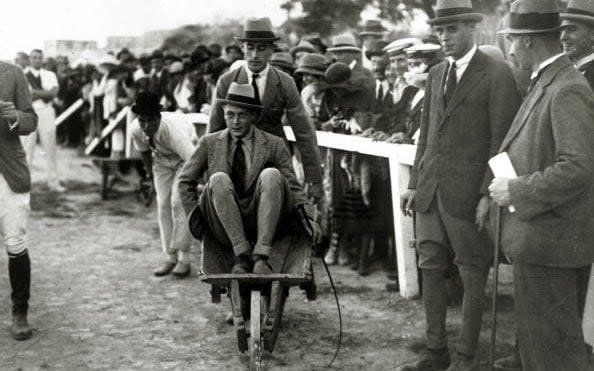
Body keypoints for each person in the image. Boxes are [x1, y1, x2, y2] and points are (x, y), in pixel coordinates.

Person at [398, 0, 522, 369]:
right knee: (431, 269)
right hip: (431, 192)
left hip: (468, 196)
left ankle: (466, 358)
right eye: (439, 30)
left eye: (452, 29)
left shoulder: (497, 73)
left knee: (472, 272)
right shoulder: (436, 73)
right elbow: (426, 137)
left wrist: (487, 193)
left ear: (471, 28)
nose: (445, 37)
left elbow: (502, 140)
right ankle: (436, 352)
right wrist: (415, 182)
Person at [491, 1, 594, 369]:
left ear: (530, 41)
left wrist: (516, 190)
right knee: (540, 352)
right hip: (541, 243)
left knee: (554, 356)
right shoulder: (549, 81)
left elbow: (579, 167)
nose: (511, 49)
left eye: (513, 41)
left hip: (553, 246)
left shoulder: (567, 88)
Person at [178, 82, 319, 274]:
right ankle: (241, 255)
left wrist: (308, 217)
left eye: (242, 115)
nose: (235, 121)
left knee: (271, 175)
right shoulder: (209, 143)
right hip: (223, 222)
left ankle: (261, 257)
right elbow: (185, 181)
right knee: (218, 179)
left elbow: (293, 186)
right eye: (230, 115)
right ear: (224, 114)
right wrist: (196, 219)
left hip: (264, 221)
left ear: (253, 116)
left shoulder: (274, 144)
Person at [208, 17, 323, 202]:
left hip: (276, 163)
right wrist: (211, 174)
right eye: (250, 47)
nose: (254, 55)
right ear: (243, 48)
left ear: (271, 50)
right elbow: (214, 132)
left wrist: (314, 178)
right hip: (237, 164)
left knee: (280, 220)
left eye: (261, 48)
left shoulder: (285, 82)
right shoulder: (226, 81)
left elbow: (304, 132)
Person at [130, 92, 195, 278]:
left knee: (178, 202)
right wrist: (150, 175)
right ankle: (170, 257)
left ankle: (184, 258)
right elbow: (144, 153)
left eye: (151, 120)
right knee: (163, 204)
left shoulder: (173, 131)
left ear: (159, 117)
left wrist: (194, 185)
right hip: (161, 160)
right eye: (142, 120)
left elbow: (194, 160)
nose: (146, 126)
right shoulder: (135, 128)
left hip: (185, 159)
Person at [0, 59, 38, 340]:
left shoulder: (12, 73)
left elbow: (30, 120)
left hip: (8, 172)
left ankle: (19, 312)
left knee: (15, 243)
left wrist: (14, 115)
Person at [22, 49, 64, 192]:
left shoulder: (49, 74)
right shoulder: (22, 74)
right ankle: (25, 184)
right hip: (29, 112)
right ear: (29, 59)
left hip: (46, 111)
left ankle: (53, 182)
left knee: (50, 147)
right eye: (34, 58)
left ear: (43, 59)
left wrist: (36, 93)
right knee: (27, 148)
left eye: (40, 58)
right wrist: (45, 93)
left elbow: (54, 92)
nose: (37, 60)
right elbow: (26, 95)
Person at [560, 0, 594, 88]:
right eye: (562, 29)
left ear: (592, 35)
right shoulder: (561, 72)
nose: (563, 37)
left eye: (571, 29)